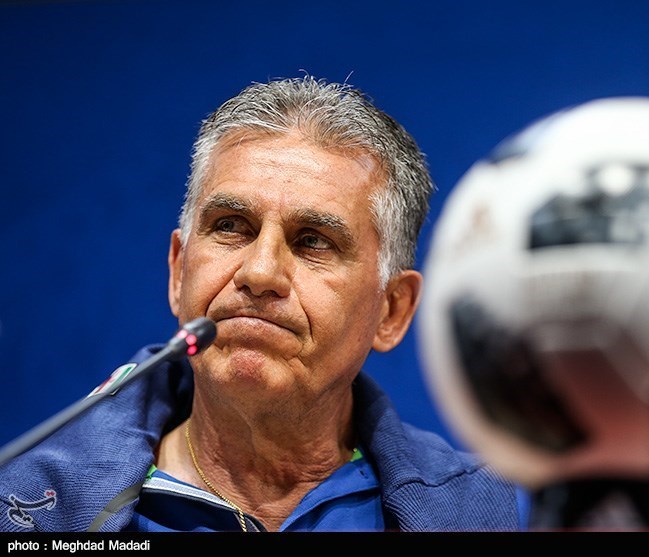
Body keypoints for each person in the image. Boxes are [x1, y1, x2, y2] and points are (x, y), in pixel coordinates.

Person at [0, 75, 529, 532]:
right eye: (231, 226)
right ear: (179, 271)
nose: (259, 273)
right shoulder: (25, 507)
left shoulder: (497, 511)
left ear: (392, 310)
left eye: (314, 241)